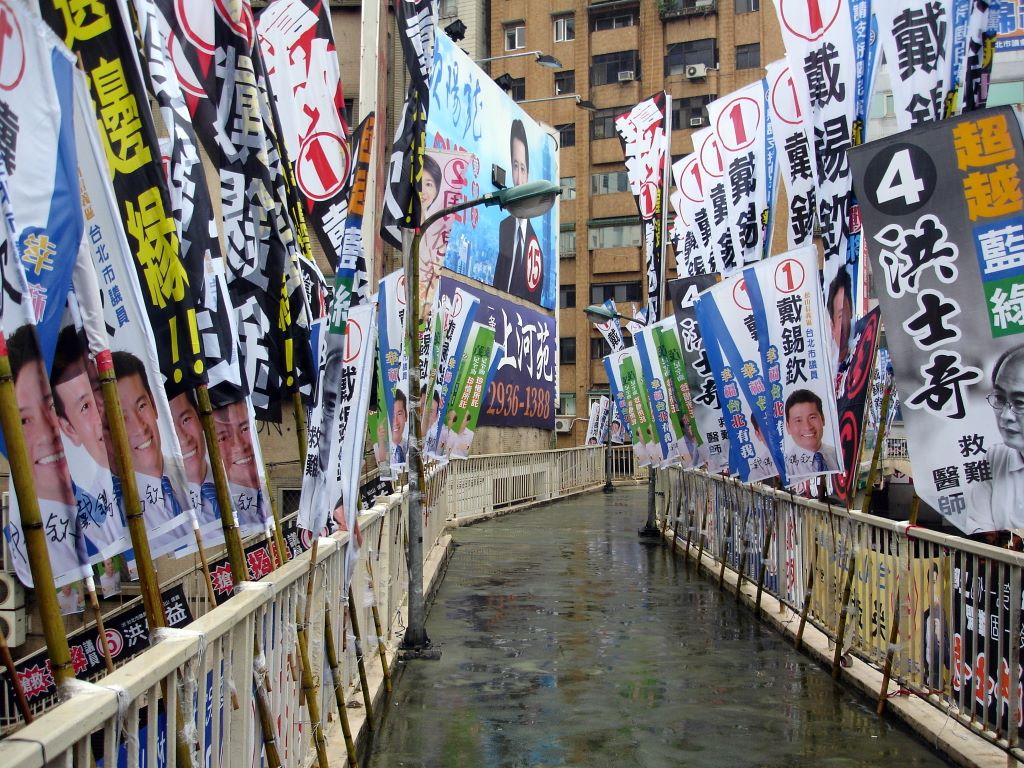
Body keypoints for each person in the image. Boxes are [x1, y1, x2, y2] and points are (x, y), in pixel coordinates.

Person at [8, 324, 88, 583]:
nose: (48, 432)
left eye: (51, 406)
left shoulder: (103, 509)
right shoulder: (30, 543)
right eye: (24, 420)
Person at [50, 325, 124, 558]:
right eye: (84, 406)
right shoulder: (82, 522)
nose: (100, 408)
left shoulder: (171, 482)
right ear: (69, 428)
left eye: (100, 388)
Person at [111, 350, 189, 551]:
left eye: (141, 406)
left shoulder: (193, 478)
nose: (139, 427)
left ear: (154, 405)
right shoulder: (118, 511)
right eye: (123, 417)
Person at [967, 344, 1024, 533]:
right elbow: (979, 530)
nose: (1006, 415)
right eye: (1000, 398)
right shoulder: (994, 459)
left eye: (1020, 402)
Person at [494, 119, 546, 303]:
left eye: (522, 168)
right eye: (515, 166)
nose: (518, 177)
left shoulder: (536, 250)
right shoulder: (504, 227)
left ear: (528, 174)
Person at [213, 399, 264, 530]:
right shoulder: (216, 509)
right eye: (223, 438)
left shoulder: (266, 496)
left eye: (245, 429)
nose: (239, 445)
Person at [169, 391, 218, 528]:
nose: (183, 440)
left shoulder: (234, 483)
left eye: (186, 420)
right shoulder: (164, 507)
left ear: (199, 417)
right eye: (171, 429)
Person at [784, 389, 839, 475]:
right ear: (788, 427)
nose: (807, 427)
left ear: (823, 419)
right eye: (798, 420)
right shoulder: (784, 469)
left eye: (812, 417)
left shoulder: (838, 455)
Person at [827, 268, 853, 366]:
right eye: (838, 317)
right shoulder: (824, 363)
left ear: (851, 310)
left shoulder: (861, 354)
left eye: (842, 315)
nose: (840, 326)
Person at [391, 387, 408, 465]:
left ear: (406, 416)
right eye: (392, 415)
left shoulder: (410, 447)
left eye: (399, 414)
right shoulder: (381, 450)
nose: (395, 422)